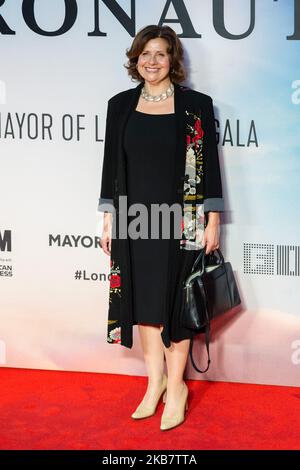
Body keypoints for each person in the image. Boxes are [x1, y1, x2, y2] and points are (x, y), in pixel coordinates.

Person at [98, 25, 224, 431]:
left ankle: (177, 386)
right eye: (145, 54)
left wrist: (213, 217)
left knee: (177, 304)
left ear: (173, 60)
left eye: (161, 54)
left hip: (182, 220)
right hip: (136, 219)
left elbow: (209, 168)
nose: (151, 61)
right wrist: (108, 217)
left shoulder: (196, 105)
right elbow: (110, 168)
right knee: (145, 305)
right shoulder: (119, 105)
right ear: (135, 59)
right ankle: (154, 385)